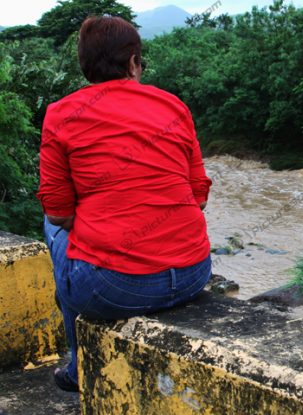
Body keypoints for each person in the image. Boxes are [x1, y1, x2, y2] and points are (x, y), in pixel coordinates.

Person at [37, 15, 212, 392]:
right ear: (133, 62)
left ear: (85, 66)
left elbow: (59, 213)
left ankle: (78, 366)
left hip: (112, 290)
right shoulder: (174, 107)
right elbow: (198, 197)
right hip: (195, 274)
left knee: (52, 229)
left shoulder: (61, 114)